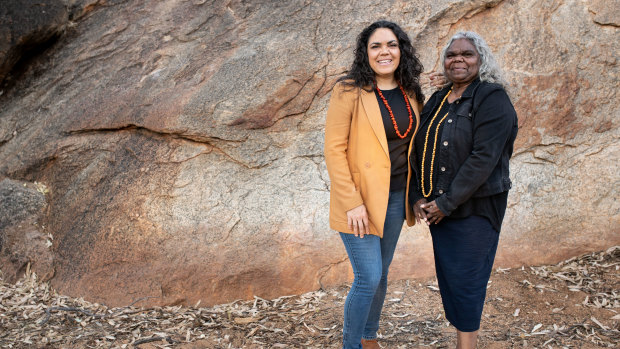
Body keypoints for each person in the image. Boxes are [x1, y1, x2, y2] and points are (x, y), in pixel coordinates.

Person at [410, 31, 518, 349]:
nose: (458, 59)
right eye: (452, 54)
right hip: (440, 210)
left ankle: (466, 346)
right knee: (452, 280)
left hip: (475, 208)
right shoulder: (438, 99)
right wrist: (419, 196)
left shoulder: (492, 98)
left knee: (467, 281)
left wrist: (446, 203)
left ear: (480, 60)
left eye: (467, 54)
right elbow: (418, 149)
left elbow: (483, 158)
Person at [323, 20, 426, 349]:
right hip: (360, 201)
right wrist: (352, 201)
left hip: (396, 198)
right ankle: (350, 345)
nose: (385, 52)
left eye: (392, 45)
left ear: (401, 50)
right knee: (367, 277)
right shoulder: (350, 89)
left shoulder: (410, 90)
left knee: (380, 275)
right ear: (365, 53)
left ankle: (369, 337)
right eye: (376, 46)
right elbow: (334, 149)